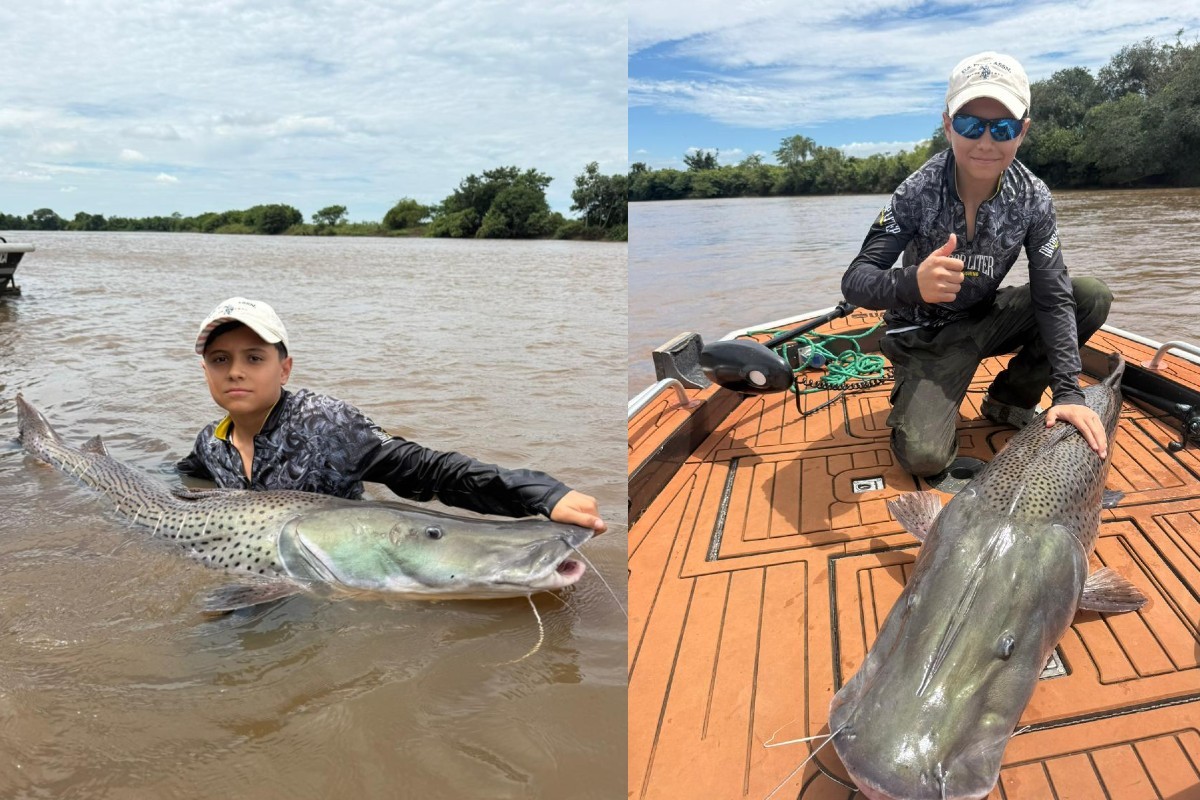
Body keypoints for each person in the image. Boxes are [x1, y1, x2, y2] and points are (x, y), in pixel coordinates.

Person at [840, 51, 1112, 479]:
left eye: (1002, 127)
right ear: (948, 125)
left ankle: (1011, 399)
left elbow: (1052, 293)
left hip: (985, 318)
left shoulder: (1033, 197)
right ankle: (917, 390)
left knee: (1089, 295)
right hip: (924, 336)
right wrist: (913, 282)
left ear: (1022, 131)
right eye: (970, 124)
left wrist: (1069, 393)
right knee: (925, 459)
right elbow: (855, 281)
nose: (986, 142)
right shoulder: (916, 192)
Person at [177, 297, 606, 533]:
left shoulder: (327, 424)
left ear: (284, 367)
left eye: (254, 357)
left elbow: (428, 470)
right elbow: (185, 478)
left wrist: (540, 493)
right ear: (206, 372)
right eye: (219, 360)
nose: (234, 371)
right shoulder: (210, 442)